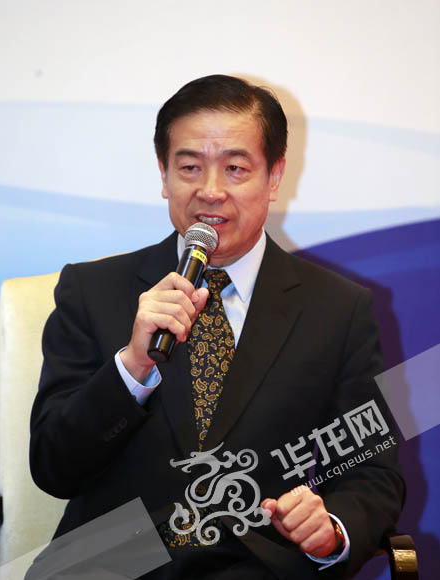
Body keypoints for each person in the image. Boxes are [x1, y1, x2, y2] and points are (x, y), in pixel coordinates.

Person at [28, 74, 405, 580]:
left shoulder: (339, 309)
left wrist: (331, 528)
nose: (210, 191)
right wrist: (132, 368)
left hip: (259, 566)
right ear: (164, 175)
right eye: (189, 167)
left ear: (274, 176)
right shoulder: (92, 291)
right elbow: (54, 468)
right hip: (109, 567)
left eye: (235, 168)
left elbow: (372, 471)